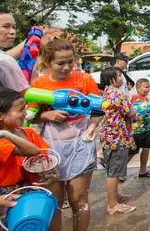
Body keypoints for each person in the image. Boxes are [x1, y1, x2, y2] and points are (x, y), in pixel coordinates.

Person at [30, 38, 101, 231]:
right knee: (54, 201)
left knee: (79, 200)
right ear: (48, 62)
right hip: (52, 146)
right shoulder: (39, 84)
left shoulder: (84, 80)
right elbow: (29, 117)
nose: (67, 67)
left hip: (81, 143)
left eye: (71, 61)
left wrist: (92, 127)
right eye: (60, 63)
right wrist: (46, 114)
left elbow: (98, 110)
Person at [0, 88, 58, 194]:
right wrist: (6, 134)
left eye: (25, 109)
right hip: (6, 193)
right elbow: (34, 151)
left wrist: (55, 175)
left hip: (32, 186)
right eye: (21, 110)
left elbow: (44, 157)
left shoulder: (29, 132)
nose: (25, 114)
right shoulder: (1, 141)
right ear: (1, 116)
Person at [99, 67, 138, 215]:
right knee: (114, 172)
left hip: (110, 137)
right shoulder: (117, 94)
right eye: (119, 76)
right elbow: (130, 113)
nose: (122, 79)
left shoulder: (107, 93)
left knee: (113, 170)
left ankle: (115, 197)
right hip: (117, 138)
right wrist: (138, 115)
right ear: (111, 80)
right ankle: (113, 205)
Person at [127, 78, 150, 178]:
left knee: (146, 149)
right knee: (132, 151)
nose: (148, 89)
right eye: (146, 87)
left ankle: (143, 170)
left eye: (149, 87)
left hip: (146, 129)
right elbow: (140, 110)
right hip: (137, 130)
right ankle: (120, 172)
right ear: (138, 88)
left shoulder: (146, 99)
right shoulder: (136, 98)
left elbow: (146, 114)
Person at [0, 7, 29, 94]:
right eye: (6, 26)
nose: (12, 31)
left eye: (14, 27)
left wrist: (30, 40)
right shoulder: (5, 61)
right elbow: (25, 94)